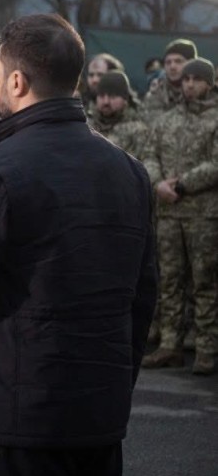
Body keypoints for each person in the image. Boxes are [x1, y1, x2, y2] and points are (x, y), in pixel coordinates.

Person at [0, 14, 156, 476]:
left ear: (16, 80)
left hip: (22, 410)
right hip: (100, 407)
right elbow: (142, 295)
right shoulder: (129, 171)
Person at [141, 57, 218, 376]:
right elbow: (148, 154)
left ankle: (206, 350)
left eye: (196, 79)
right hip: (169, 214)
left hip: (203, 215)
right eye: (185, 79)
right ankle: (170, 346)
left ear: (209, 84)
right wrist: (158, 183)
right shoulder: (166, 120)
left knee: (205, 282)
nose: (188, 84)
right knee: (169, 281)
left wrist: (183, 185)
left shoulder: (215, 119)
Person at [88, 71, 151, 158]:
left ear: (125, 100)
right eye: (102, 96)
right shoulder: (87, 127)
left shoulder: (138, 131)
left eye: (112, 96)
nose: (106, 102)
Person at [143, 38, 197, 117]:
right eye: (168, 62)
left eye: (178, 61)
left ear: (192, 64)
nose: (172, 67)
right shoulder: (156, 93)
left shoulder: (206, 92)